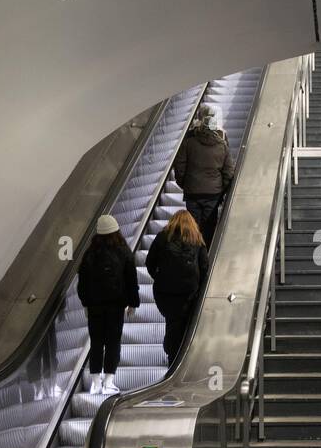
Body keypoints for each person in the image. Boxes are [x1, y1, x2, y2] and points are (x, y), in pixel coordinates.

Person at [76, 214, 139, 394]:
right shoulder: (123, 251)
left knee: (96, 342)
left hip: (95, 306)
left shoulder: (90, 253)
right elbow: (131, 280)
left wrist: (85, 304)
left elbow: (82, 282)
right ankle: (109, 382)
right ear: (116, 230)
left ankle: (95, 382)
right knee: (113, 341)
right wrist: (132, 303)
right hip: (116, 306)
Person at [145, 210, 210, 366]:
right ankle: (183, 359)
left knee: (172, 322)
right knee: (184, 324)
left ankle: (172, 356)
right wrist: (197, 287)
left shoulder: (163, 237)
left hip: (165, 292)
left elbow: (149, 263)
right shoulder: (197, 239)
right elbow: (204, 267)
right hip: (188, 293)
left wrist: (160, 278)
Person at [172, 104, 233, 246]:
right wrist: (220, 189)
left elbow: (179, 166)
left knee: (192, 228)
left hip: (192, 192)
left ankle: (193, 254)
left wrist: (185, 183)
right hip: (213, 194)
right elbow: (228, 171)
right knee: (209, 227)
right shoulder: (222, 143)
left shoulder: (189, 141)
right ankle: (206, 257)